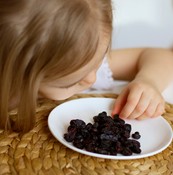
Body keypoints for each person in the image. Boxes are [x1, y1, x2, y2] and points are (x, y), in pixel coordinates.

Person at [0, 0, 173, 133]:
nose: (93, 79)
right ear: (18, 74)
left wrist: (149, 81)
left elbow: (164, 57)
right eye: (69, 83)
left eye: (98, 63)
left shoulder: (81, 60)